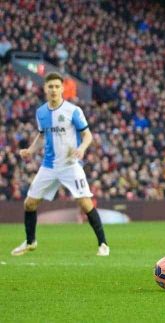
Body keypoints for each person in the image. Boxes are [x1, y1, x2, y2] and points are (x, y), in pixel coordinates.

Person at [11, 72, 109, 256]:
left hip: (70, 165)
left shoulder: (73, 111)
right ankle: (30, 241)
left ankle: (103, 244)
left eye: (57, 86)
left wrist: (82, 149)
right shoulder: (41, 112)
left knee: (85, 203)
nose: (54, 90)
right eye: (50, 87)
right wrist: (31, 151)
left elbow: (87, 135)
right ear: (45, 89)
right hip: (49, 166)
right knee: (29, 203)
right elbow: (42, 135)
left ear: (62, 88)